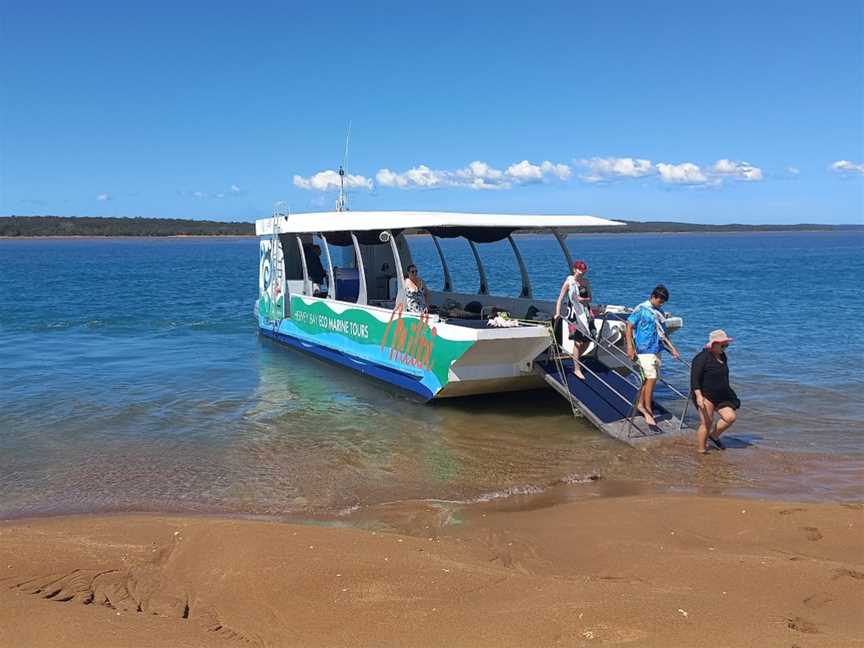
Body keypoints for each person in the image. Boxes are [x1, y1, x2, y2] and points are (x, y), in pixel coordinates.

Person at [625, 284, 680, 426]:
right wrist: (630, 347)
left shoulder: (659, 312)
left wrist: (672, 348)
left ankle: (641, 404)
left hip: (656, 349)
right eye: (660, 301)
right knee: (651, 377)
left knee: (650, 381)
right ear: (653, 297)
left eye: (663, 302)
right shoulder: (642, 309)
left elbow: (663, 334)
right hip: (644, 350)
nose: (661, 304)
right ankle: (648, 410)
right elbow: (629, 325)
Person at [691, 329, 739, 454]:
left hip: (722, 395)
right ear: (713, 344)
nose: (725, 347)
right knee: (707, 423)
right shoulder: (701, 358)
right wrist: (699, 396)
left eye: (726, 345)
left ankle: (713, 436)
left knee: (730, 417)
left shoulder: (722, 356)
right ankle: (701, 450)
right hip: (705, 395)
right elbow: (694, 379)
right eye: (723, 345)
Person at [554, 260, 592, 379]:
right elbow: (560, 298)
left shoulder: (586, 282)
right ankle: (577, 368)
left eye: (583, 271)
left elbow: (590, 298)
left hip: (585, 312)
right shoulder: (569, 282)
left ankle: (576, 359)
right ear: (575, 270)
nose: (582, 273)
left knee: (588, 340)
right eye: (580, 271)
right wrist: (557, 313)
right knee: (578, 341)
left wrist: (583, 300)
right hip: (574, 314)